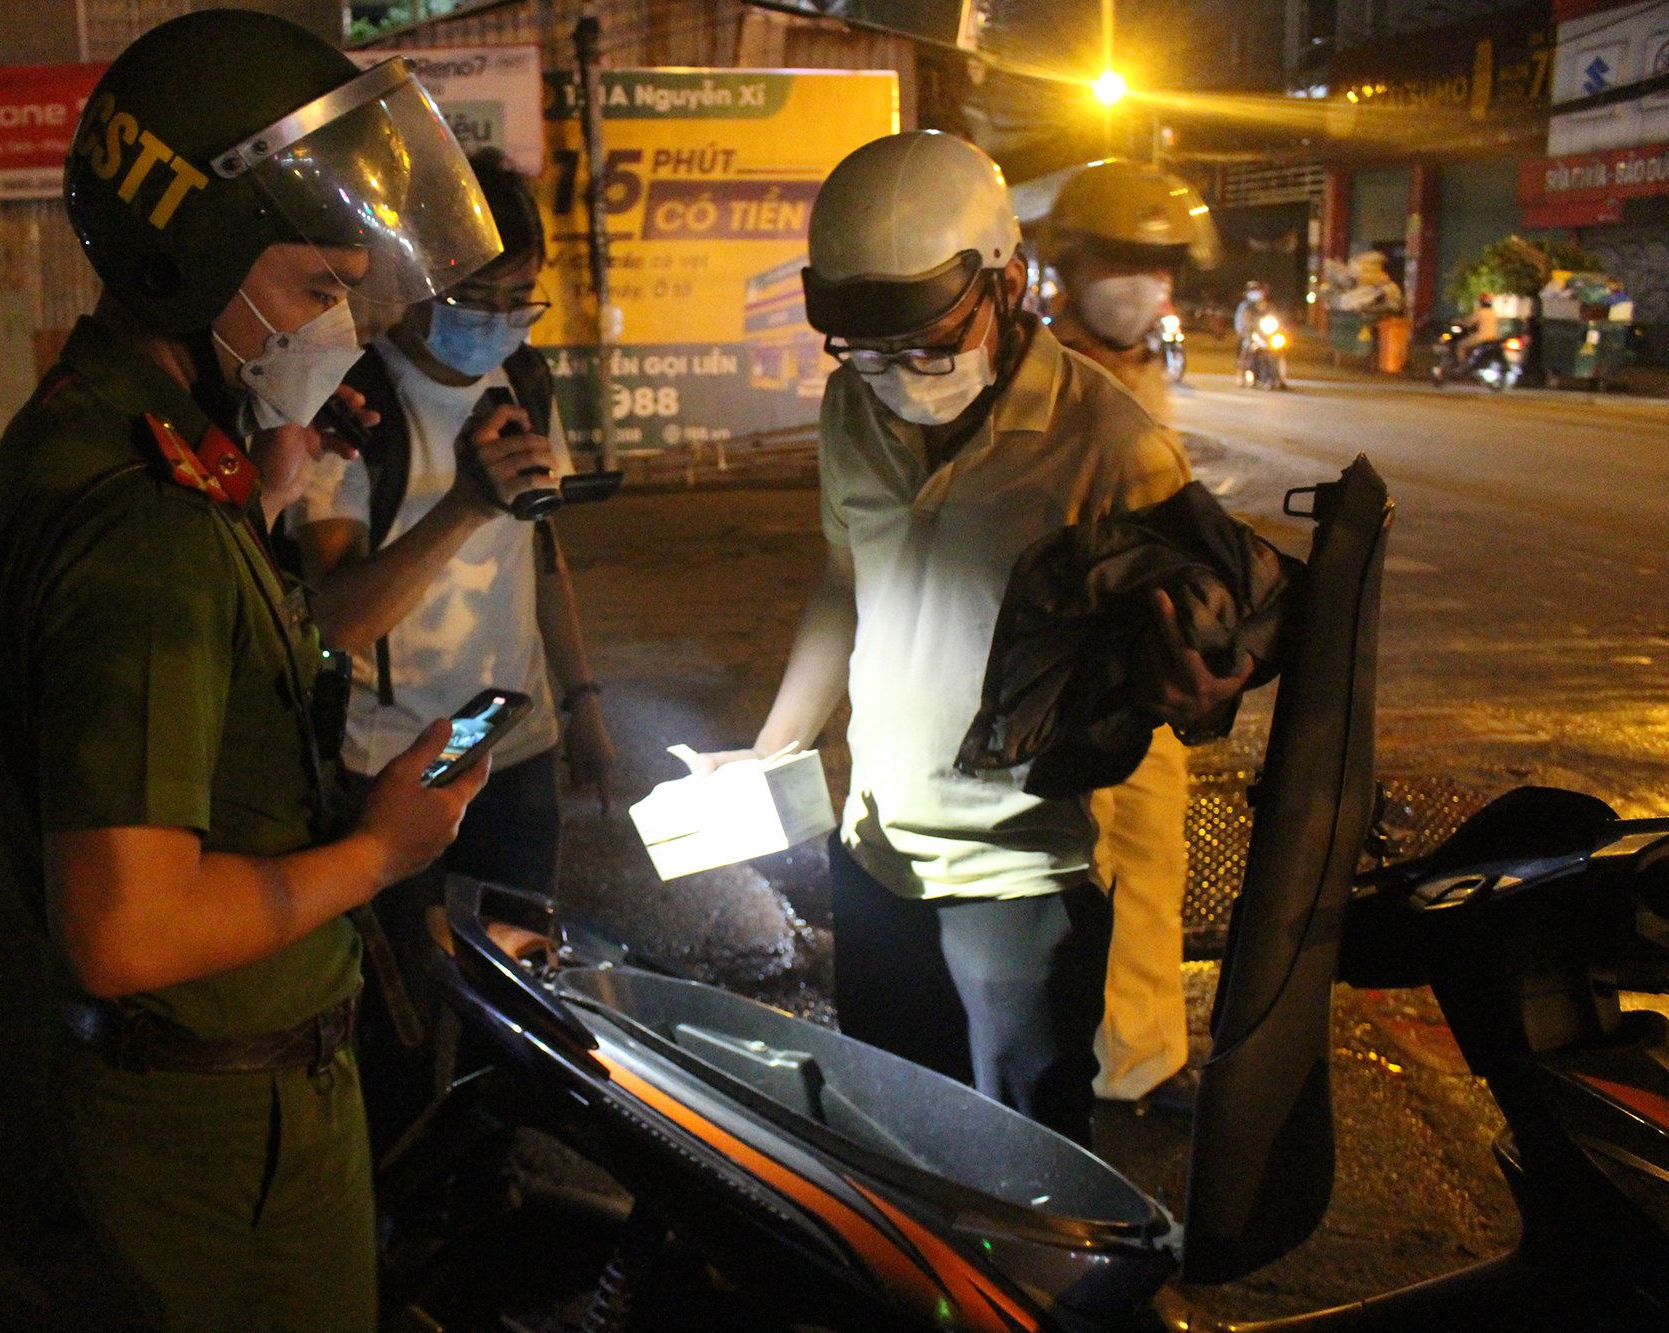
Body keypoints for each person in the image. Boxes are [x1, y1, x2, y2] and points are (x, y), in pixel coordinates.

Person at [0, 13, 511, 1328]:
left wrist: (268, 482)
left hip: (202, 1100)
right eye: (320, 288)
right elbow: (124, 927)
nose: (340, 324)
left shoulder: (116, 438)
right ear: (190, 256)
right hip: (223, 1130)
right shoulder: (146, 527)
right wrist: (382, 850)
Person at [686, 131, 1249, 1147]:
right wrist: (771, 751)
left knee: (1018, 1169)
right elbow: (842, 586)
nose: (895, 374)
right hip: (874, 859)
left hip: (1020, 886)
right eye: (863, 348)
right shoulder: (849, 408)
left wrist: (1196, 690)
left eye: (927, 346)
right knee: (895, 1142)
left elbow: (1201, 651)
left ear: (1010, 284)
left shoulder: (1114, 445)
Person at [291, 146, 616, 899]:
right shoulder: (348, 404)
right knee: (404, 992)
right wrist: (466, 506)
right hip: (397, 761)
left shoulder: (525, 382)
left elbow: (542, 557)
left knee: (513, 981)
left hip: (513, 741)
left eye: (520, 299)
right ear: (414, 279)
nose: (500, 323)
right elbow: (335, 618)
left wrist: (583, 701)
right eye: (476, 298)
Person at [1043, 158, 1221, 1113]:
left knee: (1152, 861)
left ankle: (1144, 1064)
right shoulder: (1039, 379)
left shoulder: (1148, 369)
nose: (1141, 282)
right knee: (1080, 873)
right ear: (1068, 264)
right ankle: (1075, 1066)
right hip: (1068, 678)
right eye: (1120, 259)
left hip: (1150, 668)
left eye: (1158, 264)